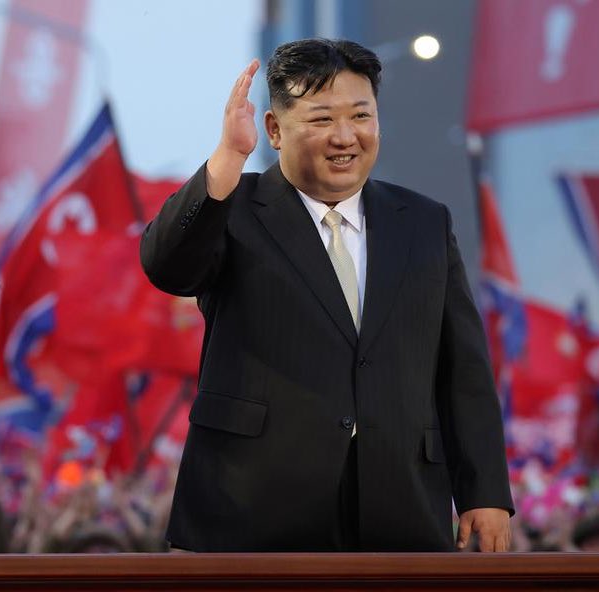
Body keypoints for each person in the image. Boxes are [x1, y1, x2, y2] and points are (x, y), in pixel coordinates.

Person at [140, 39, 514, 552]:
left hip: (399, 507)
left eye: (361, 116)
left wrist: (485, 491)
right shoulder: (235, 209)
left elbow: (463, 370)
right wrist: (228, 159)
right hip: (253, 508)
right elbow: (168, 268)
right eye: (321, 120)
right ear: (274, 129)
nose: (345, 136)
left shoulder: (424, 222)